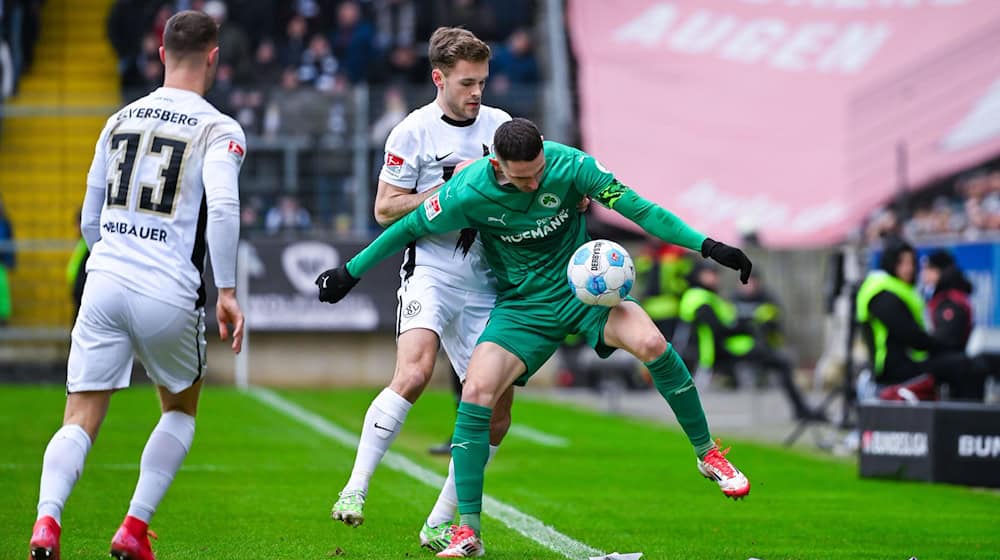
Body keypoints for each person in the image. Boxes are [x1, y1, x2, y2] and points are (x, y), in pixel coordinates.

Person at [317, 118, 753, 558]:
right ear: (498, 164)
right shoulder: (467, 191)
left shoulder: (572, 166)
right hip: (523, 307)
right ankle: (467, 530)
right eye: (522, 177)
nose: (534, 183)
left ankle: (707, 453)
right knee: (477, 390)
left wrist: (709, 246)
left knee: (653, 343)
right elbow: (407, 229)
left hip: (585, 293)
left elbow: (639, 209)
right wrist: (350, 271)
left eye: (539, 172)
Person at [27, 11, 246, 560]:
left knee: (80, 413)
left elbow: (88, 215)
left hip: (103, 278)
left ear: (160, 52)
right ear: (213, 56)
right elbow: (221, 205)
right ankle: (133, 528)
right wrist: (226, 291)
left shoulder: (119, 118)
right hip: (167, 287)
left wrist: (110, 252)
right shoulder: (219, 127)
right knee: (179, 409)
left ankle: (47, 523)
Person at [326, 27, 514, 553]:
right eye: (466, 83)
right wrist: (449, 193)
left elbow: (531, 177)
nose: (477, 92)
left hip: (485, 278)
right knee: (414, 371)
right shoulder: (413, 132)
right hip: (430, 266)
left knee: (497, 412)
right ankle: (355, 488)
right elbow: (385, 208)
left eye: (482, 81)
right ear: (439, 78)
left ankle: (439, 520)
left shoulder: (501, 126)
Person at [678, 263, 819, 420]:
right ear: (699, 275)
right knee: (782, 362)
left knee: (778, 359)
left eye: (715, 274)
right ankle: (801, 409)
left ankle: (801, 409)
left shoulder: (708, 296)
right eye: (710, 274)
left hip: (729, 347)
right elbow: (718, 330)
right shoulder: (699, 297)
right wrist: (745, 326)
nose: (715, 278)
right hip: (722, 351)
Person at [857, 238, 987, 401]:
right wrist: (939, 346)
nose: (909, 269)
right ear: (891, 263)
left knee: (968, 363)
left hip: (909, 360)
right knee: (964, 365)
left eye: (911, 263)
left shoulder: (898, 289)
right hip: (895, 367)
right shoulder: (882, 293)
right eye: (903, 263)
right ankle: (967, 421)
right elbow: (910, 335)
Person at [922, 249, 973, 353]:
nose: (923, 274)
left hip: (950, 363)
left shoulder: (951, 301)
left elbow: (947, 339)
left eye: (928, 269)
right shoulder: (939, 296)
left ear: (941, 271)